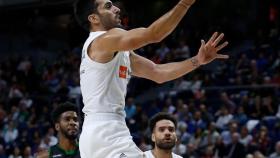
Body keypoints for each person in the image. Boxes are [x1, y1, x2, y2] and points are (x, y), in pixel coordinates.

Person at [74, 0, 229, 157]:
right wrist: (185, 4)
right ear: (94, 18)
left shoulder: (112, 49)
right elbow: (153, 34)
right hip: (106, 132)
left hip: (95, 133)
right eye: (108, 6)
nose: (117, 9)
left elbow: (157, 73)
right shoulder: (104, 39)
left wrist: (197, 61)